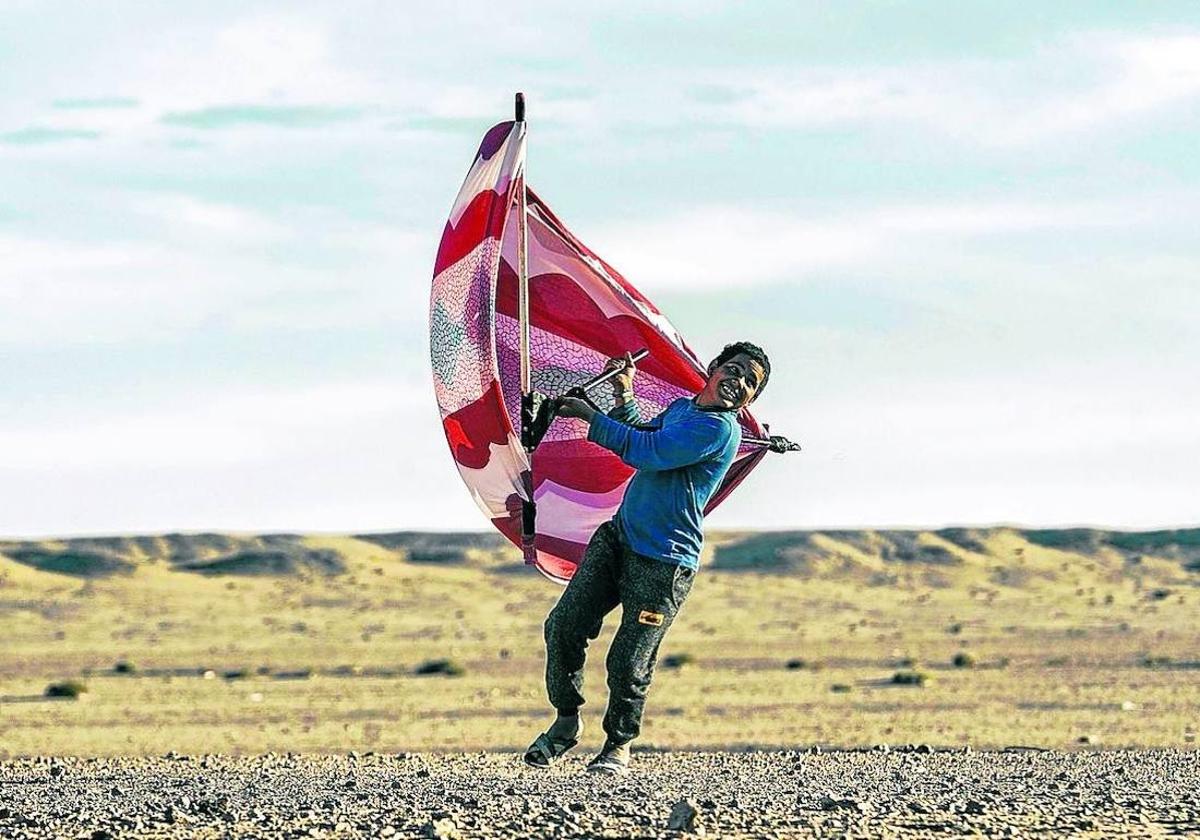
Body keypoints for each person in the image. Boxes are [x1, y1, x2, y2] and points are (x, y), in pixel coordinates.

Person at [523, 341, 770, 774]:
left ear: (750, 399)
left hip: (664, 561)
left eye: (751, 382)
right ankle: (565, 723)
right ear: (712, 368)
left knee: (628, 659)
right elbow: (642, 433)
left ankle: (618, 744)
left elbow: (648, 453)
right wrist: (622, 393)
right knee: (563, 626)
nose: (739, 381)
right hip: (618, 538)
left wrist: (589, 417)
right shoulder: (681, 409)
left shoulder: (718, 431)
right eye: (734, 369)